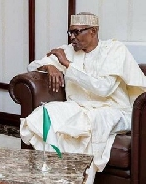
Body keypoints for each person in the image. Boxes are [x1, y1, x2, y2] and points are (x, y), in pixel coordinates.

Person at [20, 12, 146, 183]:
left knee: (92, 121)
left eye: (77, 32)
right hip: (79, 107)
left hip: (114, 110)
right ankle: (53, 176)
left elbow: (103, 89)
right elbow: (32, 65)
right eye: (70, 32)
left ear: (93, 31)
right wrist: (49, 66)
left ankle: (81, 178)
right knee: (45, 114)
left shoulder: (115, 50)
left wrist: (66, 65)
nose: (72, 37)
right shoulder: (68, 51)